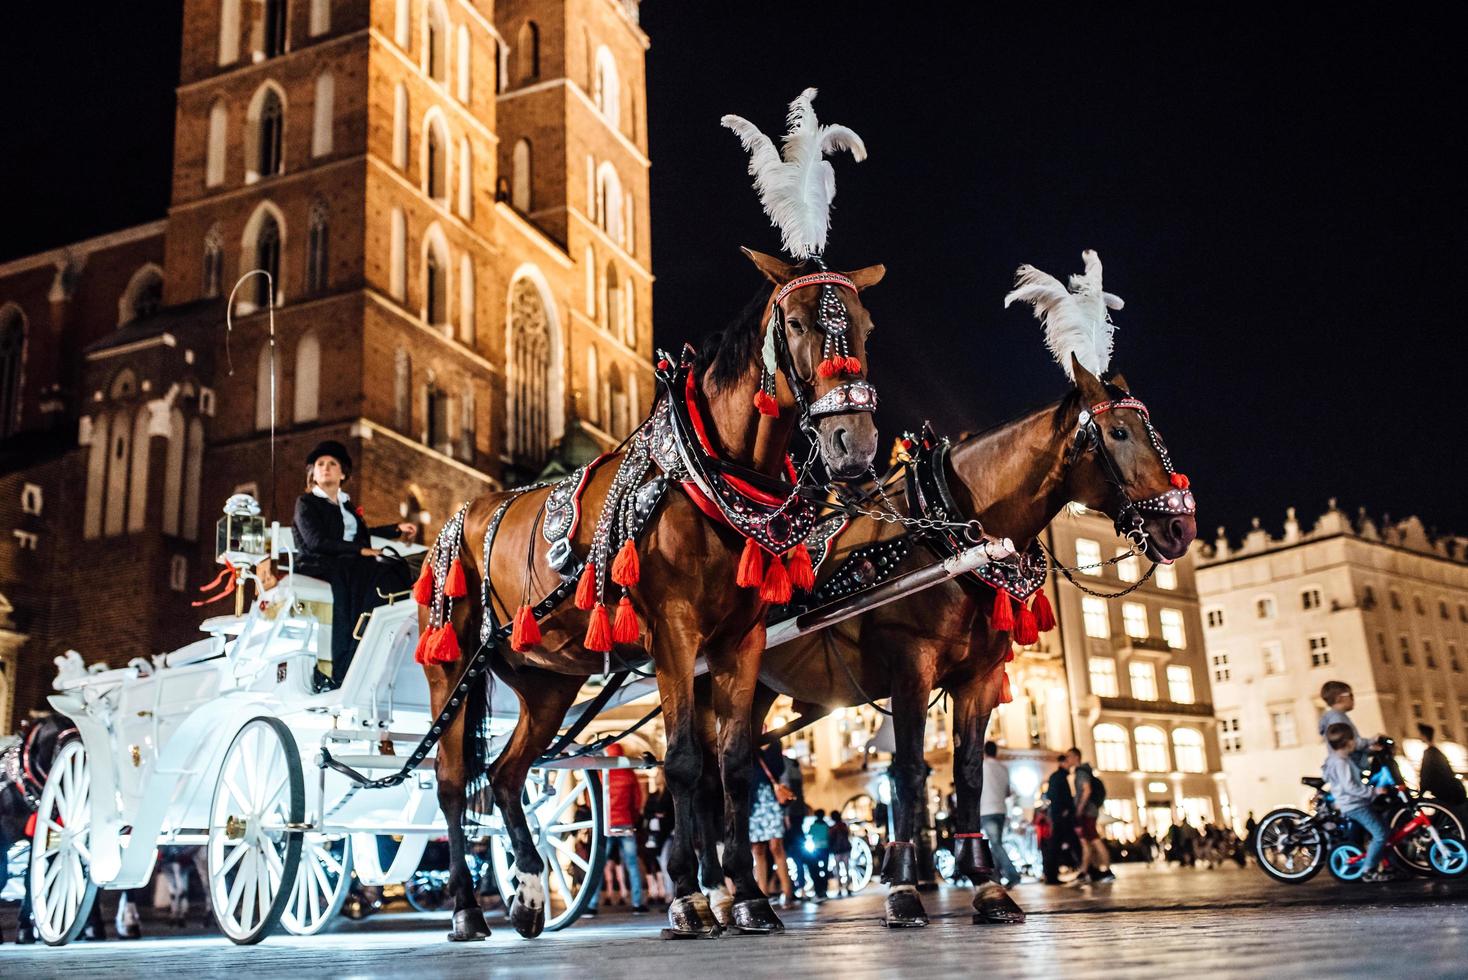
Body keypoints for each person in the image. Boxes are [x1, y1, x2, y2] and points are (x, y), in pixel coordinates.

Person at [292, 441, 418, 687]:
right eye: (320, 464)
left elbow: (360, 535)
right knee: (366, 573)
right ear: (313, 473)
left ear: (342, 473)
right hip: (320, 562)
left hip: (351, 562)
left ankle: (379, 632)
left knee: (392, 568)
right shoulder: (306, 503)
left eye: (332, 464)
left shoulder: (346, 506)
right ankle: (345, 664)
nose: (325, 468)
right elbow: (316, 541)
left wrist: (395, 529)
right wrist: (361, 550)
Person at [1323, 721, 1392, 881]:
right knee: (1380, 834)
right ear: (1348, 742)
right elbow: (1351, 787)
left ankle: (1382, 863)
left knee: (1379, 829)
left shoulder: (1336, 759)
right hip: (1355, 805)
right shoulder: (1342, 763)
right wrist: (1374, 791)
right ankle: (1369, 870)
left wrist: (1369, 748)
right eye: (1354, 739)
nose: (1356, 742)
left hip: (1354, 804)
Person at [589, 743, 647, 914]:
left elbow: (591, 800)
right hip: (625, 823)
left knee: (598, 864)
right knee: (632, 864)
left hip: (606, 824)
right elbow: (637, 800)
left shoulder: (601, 774)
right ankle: (637, 903)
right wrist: (633, 817)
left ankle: (592, 904)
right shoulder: (629, 775)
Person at [750, 739, 795, 905]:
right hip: (754, 803)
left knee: (776, 847)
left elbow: (780, 772)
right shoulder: (748, 745)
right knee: (758, 849)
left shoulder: (774, 744)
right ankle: (763, 893)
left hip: (772, 801)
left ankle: (787, 891)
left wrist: (786, 814)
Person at [1067, 746, 1115, 882]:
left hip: (1087, 811)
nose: (1067, 759)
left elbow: (1086, 790)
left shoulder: (1081, 772)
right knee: (1086, 842)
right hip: (1088, 810)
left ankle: (1107, 870)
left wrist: (1079, 808)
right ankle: (1084, 871)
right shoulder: (1082, 771)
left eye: (1069, 756)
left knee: (1094, 839)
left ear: (1076, 757)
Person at [980, 741, 1020, 887]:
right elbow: (1007, 792)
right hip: (1001, 810)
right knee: (995, 843)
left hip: (987, 810)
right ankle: (995, 877)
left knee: (996, 844)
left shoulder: (983, 767)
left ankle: (1013, 875)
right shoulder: (1004, 768)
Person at [1318, 681, 1379, 769]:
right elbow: (1345, 742)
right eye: (1350, 695)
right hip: (1351, 767)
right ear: (1339, 698)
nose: (1353, 699)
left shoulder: (1337, 717)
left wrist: (1368, 749)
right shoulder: (1337, 718)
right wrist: (1372, 740)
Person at [1417, 724, 1468, 826]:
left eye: (1420, 735)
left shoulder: (1429, 753)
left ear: (1424, 736)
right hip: (1450, 793)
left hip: (1444, 794)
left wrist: (1420, 794)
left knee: (1443, 819)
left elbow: (1425, 776)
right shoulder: (1437, 752)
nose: (1419, 737)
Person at [1042, 753, 1075, 884]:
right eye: (1067, 762)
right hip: (1061, 816)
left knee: (1057, 845)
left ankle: (1051, 875)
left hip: (1059, 815)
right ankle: (1051, 876)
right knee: (1057, 845)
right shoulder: (1059, 777)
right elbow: (1055, 795)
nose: (1070, 765)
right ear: (1062, 763)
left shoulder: (1058, 777)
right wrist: (1064, 810)